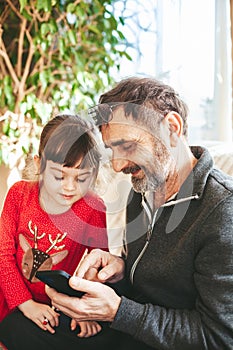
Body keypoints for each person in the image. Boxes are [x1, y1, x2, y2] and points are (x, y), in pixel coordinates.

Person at [1, 76, 233, 350]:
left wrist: (118, 311)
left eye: (127, 145)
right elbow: (150, 279)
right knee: (15, 327)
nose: (118, 164)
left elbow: (218, 338)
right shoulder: (144, 187)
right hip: (126, 328)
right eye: (112, 149)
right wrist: (120, 269)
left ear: (172, 128)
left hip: (156, 338)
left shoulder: (222, 211)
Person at [0, 114, 109, 347]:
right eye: (59, 176)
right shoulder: (19, 195)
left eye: (81, 179)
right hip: (13, 298)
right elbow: (3, 256)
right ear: (39, 164)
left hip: (63, 305)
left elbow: (98, 267)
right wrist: (26, 304)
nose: (69, 187)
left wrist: (85, 310)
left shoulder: (94, 208)